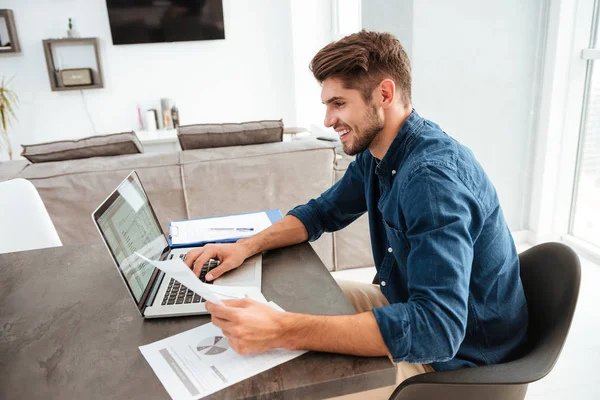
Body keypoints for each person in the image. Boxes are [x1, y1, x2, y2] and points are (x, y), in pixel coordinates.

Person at [184, 30, 528, 397]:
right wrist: (245, 246)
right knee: (284, 296)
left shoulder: (431, 181)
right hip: (407, 305)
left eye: (338, 103)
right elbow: (321, 214)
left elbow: (437, 330)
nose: (329, 119)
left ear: (384, 94)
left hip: (458, 364)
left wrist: (282, 329)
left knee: (283, 374)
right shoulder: (378, 152)